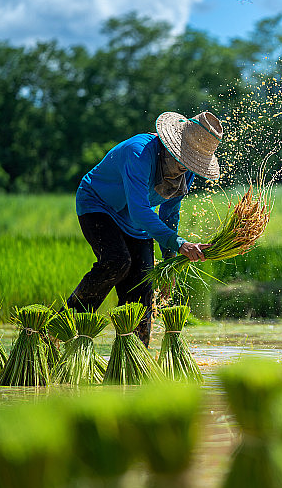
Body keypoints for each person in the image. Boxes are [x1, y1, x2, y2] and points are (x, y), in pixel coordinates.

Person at [66, 111, 223, 347]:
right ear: (171, 147)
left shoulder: (185, 172)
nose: (185, 168)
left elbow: (169, 213)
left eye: (190, 164)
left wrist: (169, 262)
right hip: (99, 205)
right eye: (184, 160)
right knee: (117, 261)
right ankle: (68, 320)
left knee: (143, 289)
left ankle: (133, 354)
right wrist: (180, 244)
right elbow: (140, 210)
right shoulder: (138, 152)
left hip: (136, 223)